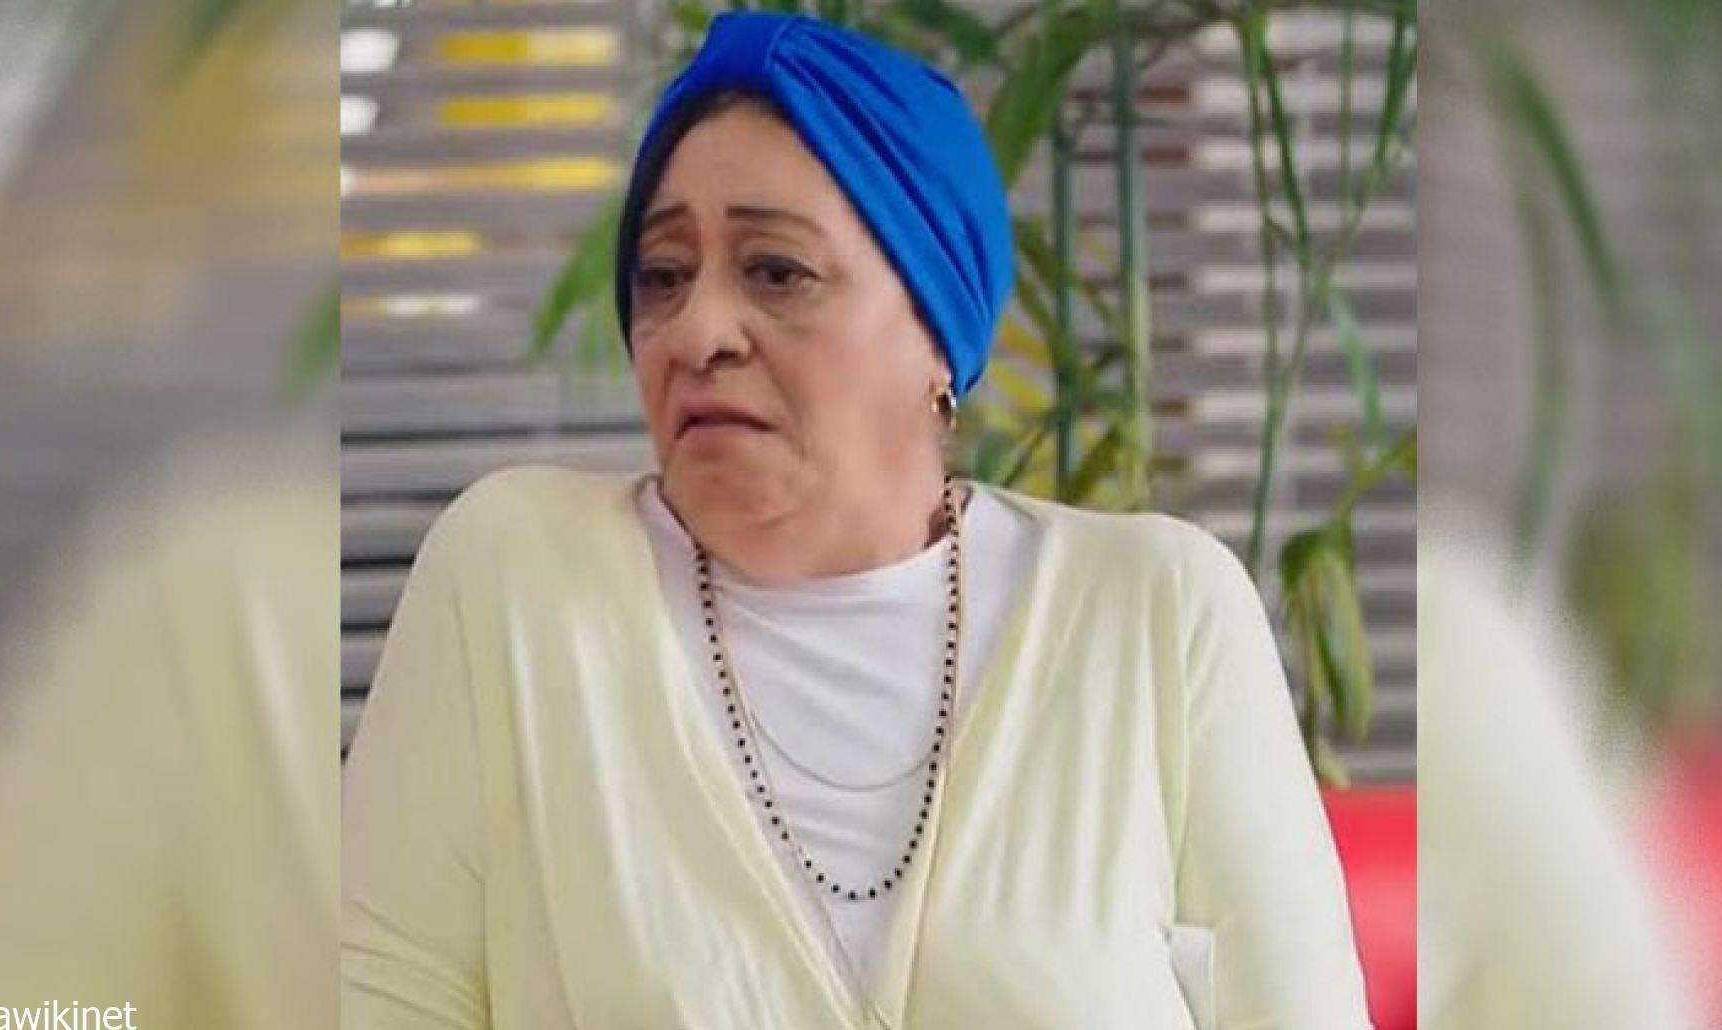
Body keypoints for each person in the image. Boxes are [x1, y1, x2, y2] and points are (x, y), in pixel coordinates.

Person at [341, 11, 1369, 1028]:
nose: (698, 330)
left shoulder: (1158, 614)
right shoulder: (521, 582)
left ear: (936, 331)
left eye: (775, 271)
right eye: (661, 276)